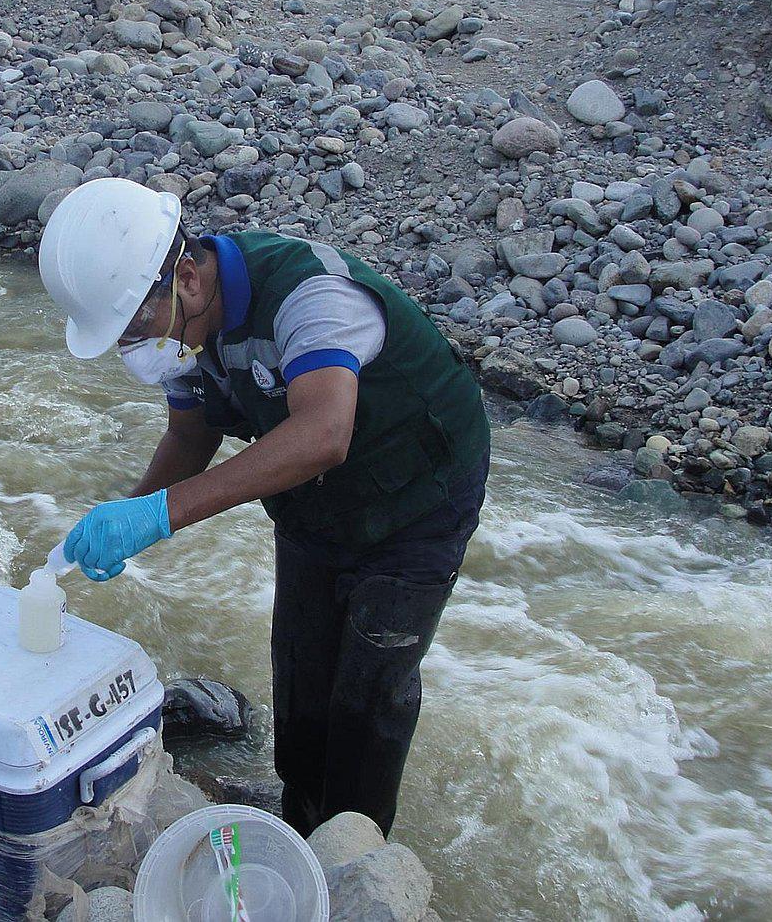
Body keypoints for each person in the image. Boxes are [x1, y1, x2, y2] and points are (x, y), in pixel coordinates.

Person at [38, 177, 490, 837]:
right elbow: (192, 433)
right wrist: (129, 516)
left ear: (186, 275)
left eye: (133, 320)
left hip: (418, 495)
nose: (131, 343)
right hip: (317, 502)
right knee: (302, 667)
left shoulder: (311, 294)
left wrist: (162, 513)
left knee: (368, 690)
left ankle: (349, 856)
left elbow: (323, 432)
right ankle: (298, 816)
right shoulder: (186, 331)